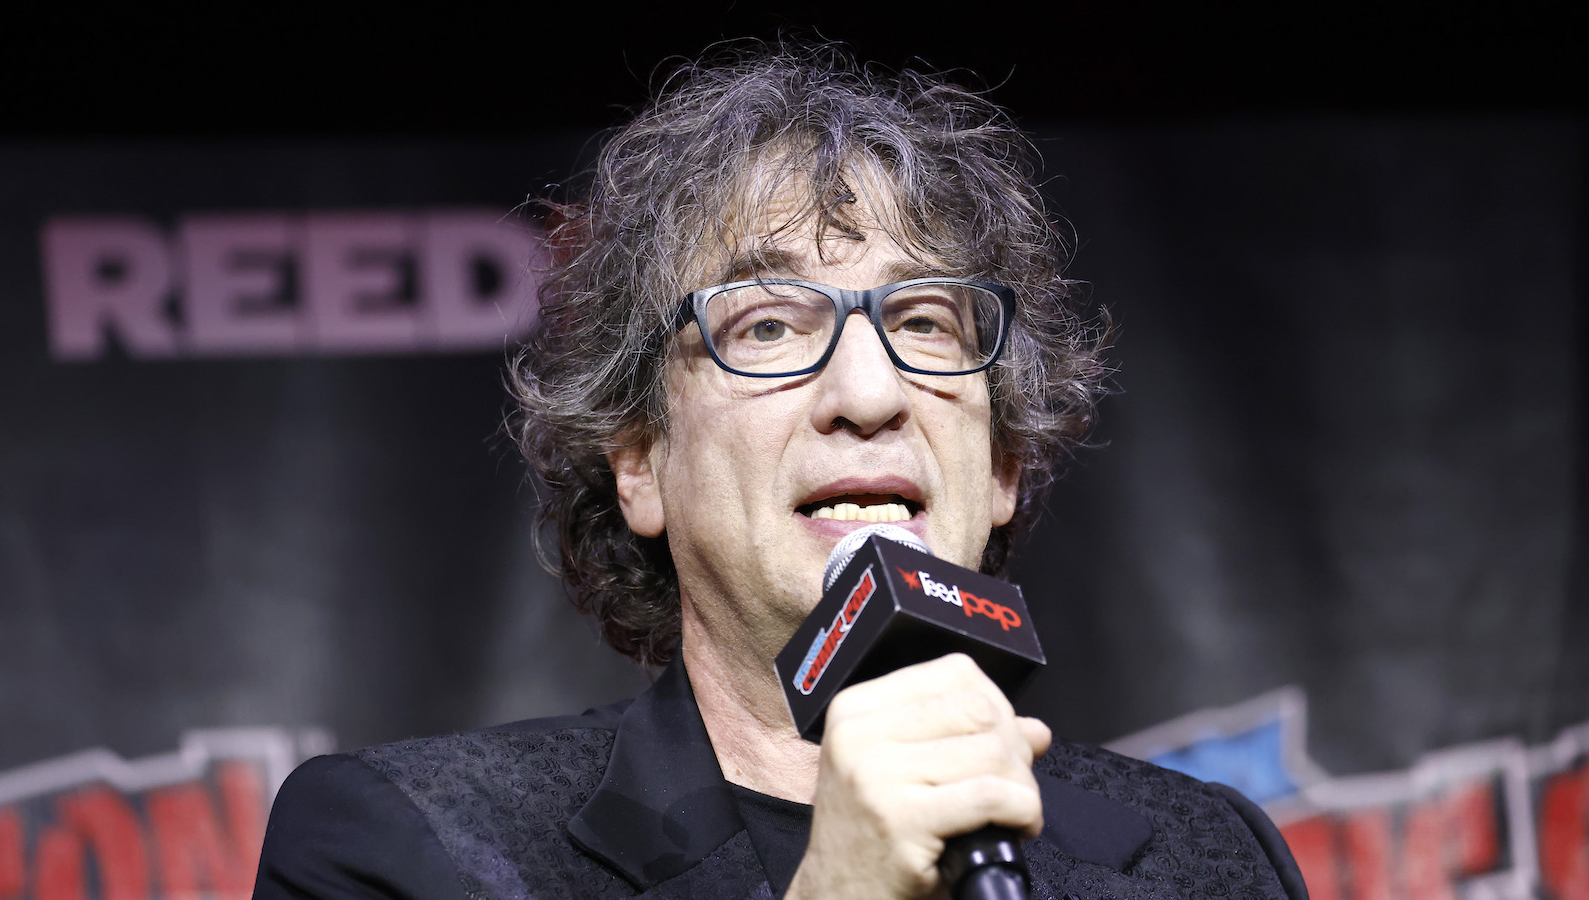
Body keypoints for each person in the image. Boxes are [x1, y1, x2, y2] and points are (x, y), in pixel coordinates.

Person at [254, 43, 1309, 900]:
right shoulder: (409, 849)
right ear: (638, 461)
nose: (868, 393)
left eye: (925, 323)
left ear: (998, 463)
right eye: (766, 326)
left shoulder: (1205, 863)